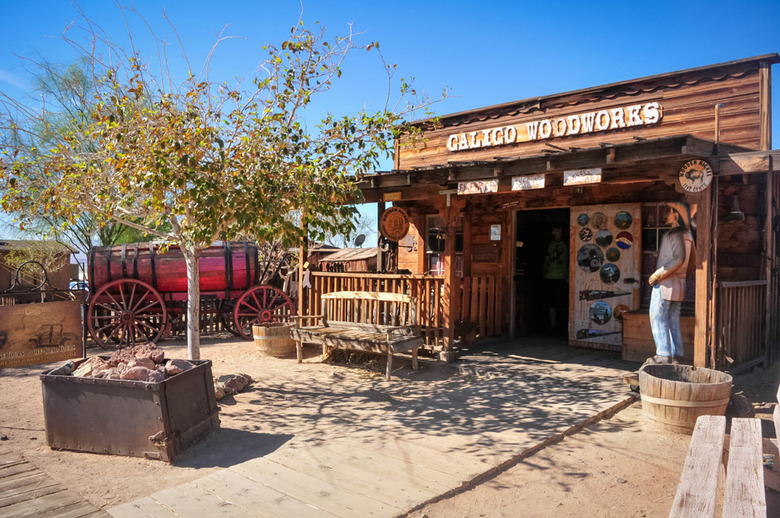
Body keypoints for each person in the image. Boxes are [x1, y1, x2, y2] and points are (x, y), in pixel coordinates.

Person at [648, 201, 694, 364]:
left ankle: (663, 354)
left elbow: (679, 258)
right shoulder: (688, 235)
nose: (666, 215)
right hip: (679, 283)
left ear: (676, 215)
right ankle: (676, 353)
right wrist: (683, 276)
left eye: (669, 212)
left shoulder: (673, 234)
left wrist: (658, 274)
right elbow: (692, 262)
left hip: (666, 283)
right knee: (673, 318)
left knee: (657, 316)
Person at [543, 223, 568, 334]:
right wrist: (544, 274)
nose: (556, 233)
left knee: (563, 304)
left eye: (558, 231)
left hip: (562, 277)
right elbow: (546, 260)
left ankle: (564, 327)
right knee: (551, 304)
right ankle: (552, 327)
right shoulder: (549, 245)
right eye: (554, 231)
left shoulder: (566, 244)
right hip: (550, 277)